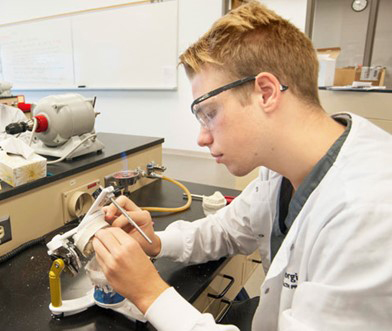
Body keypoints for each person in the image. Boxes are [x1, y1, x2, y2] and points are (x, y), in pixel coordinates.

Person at [92, 2, 392, 331]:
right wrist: (157, 244)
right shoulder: (280, 171)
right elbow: (226, 230)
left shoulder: (369, 213)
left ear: (265, 92)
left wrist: (149, 293)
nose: (201, 138)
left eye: (209, 113)